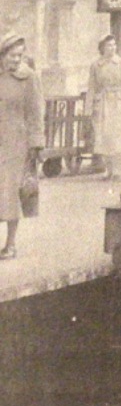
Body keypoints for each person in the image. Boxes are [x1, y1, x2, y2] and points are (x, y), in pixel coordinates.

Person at [0, 32, 45, 259]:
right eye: (12, 56)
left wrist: (36, 144)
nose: (16, 60)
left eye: (20, 55)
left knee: (9, 193)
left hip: (16, 143)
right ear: (2, 55)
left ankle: (10, 244)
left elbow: (36, 112)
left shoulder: (29, 78)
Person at [87, 34, 121, 179]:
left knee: (119, 136)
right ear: (102, 48)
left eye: (114, 45)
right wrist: (88, 108)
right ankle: (108, 169)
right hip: (103, 104)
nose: (112, 48)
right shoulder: (96, 65)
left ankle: (119, 170)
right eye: (109, 45)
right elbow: (91, 87)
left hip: (118, 104)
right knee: (103, 136)